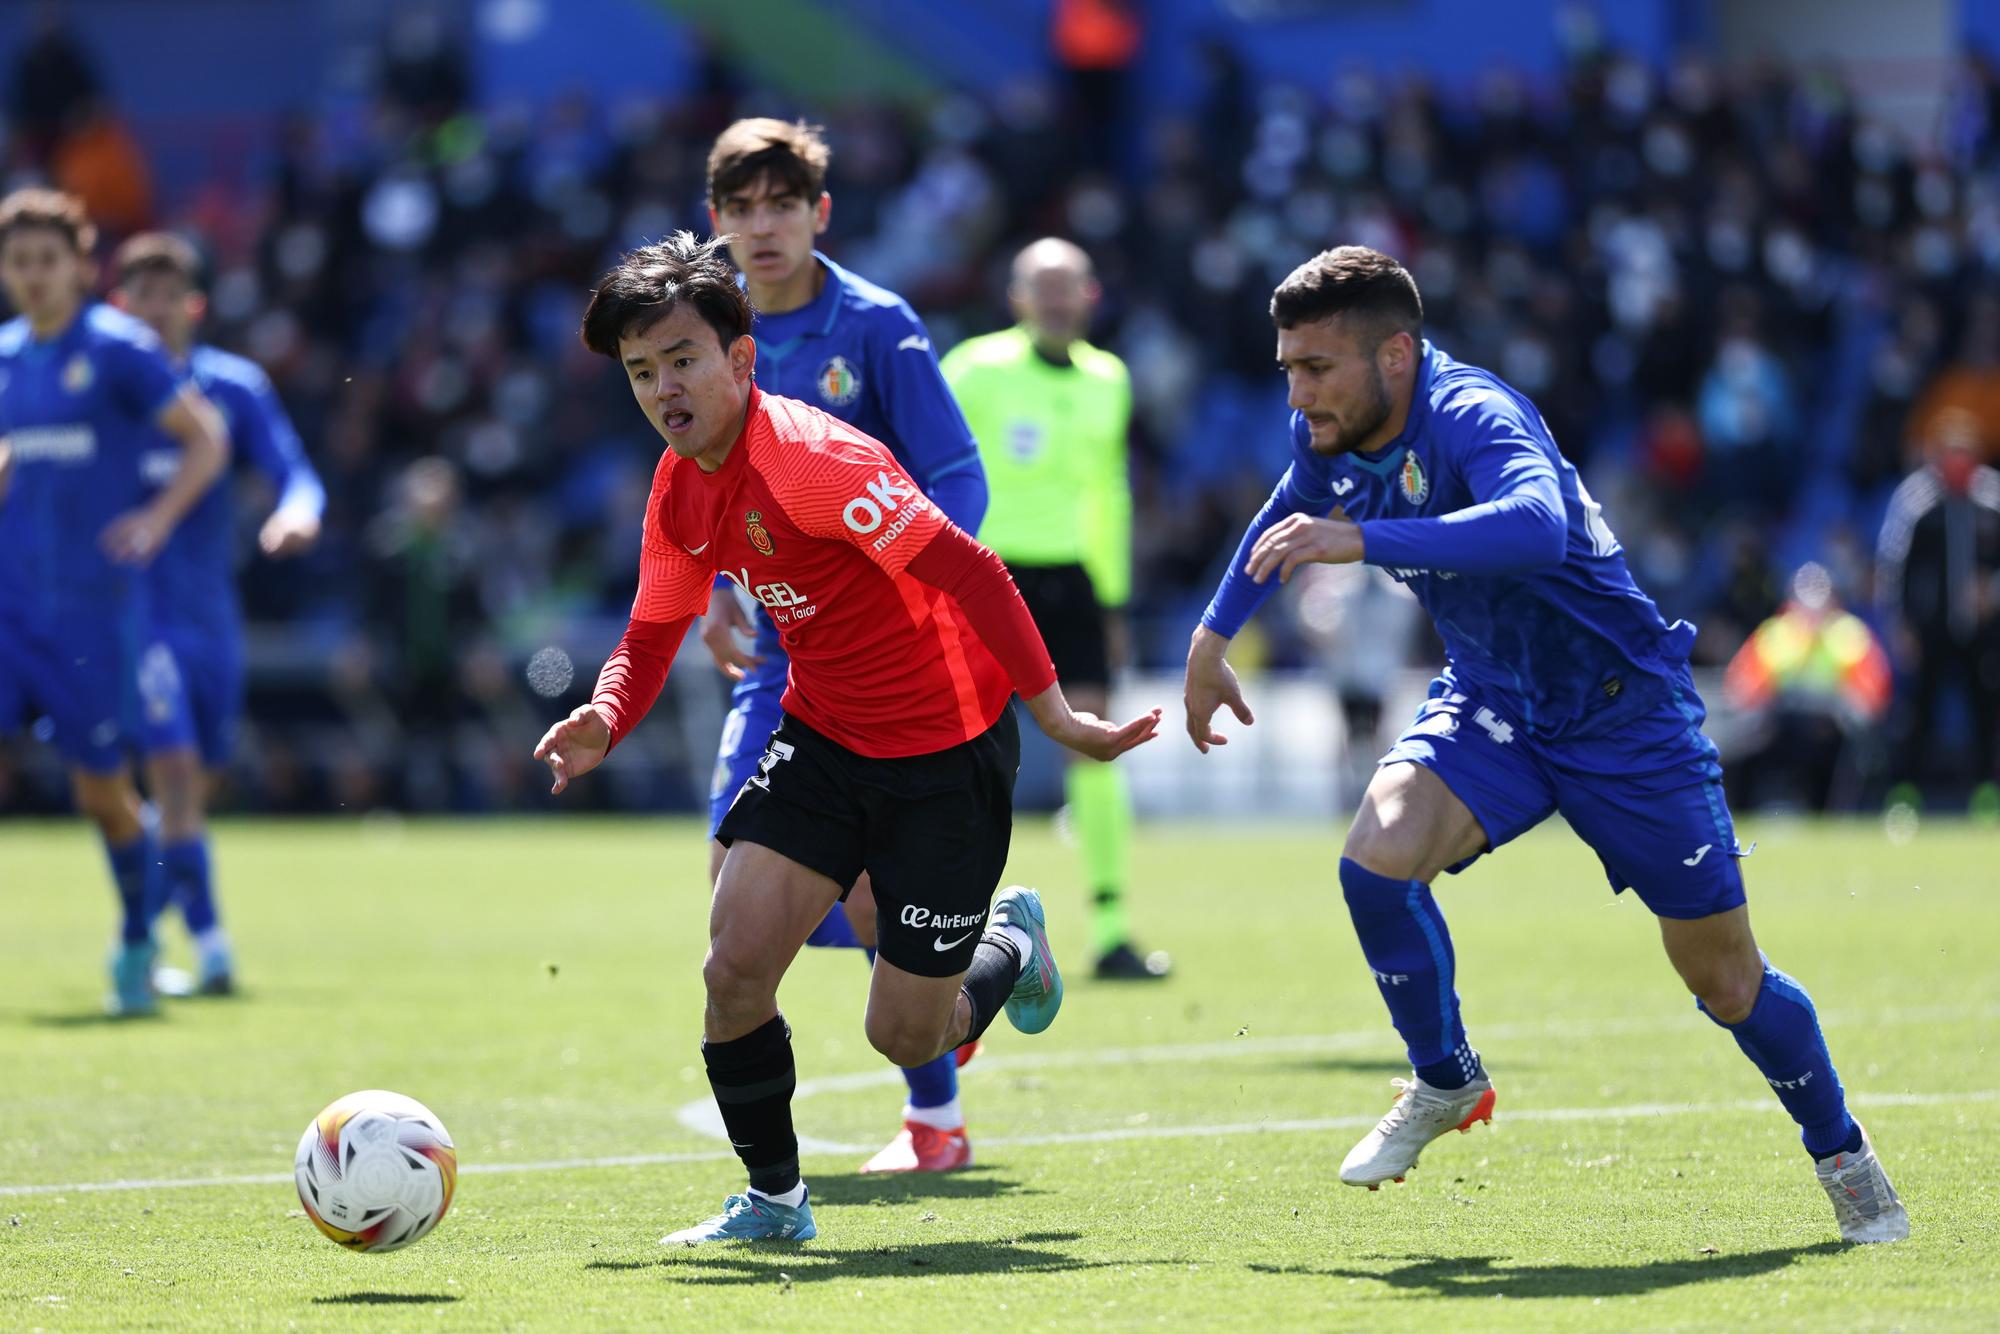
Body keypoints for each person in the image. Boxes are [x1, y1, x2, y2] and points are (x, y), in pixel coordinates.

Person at [1181, 246, 1908, 1244]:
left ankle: (1841, 1151)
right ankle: (1443, 1079)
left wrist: (1367, 540)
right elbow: (1286, 510)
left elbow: (1534, 527)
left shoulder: (1476, 413)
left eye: (1315, 367)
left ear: (1394, 353)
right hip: (1495, 699)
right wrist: (1211, 636)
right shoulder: (1330, 431)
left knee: (1723, 978)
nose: (1295, 391)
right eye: (1287, 367)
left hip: (1623, 716)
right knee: (1374, 857)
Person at [533, 231, 1160, 1244]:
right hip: (824, 737)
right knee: (731, 968)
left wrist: (1053, 715)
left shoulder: (816, 461)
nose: (661, 387)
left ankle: (1010, 942)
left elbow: (973, 572)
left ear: (741, 359)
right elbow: (652, 627)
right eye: (641, 371)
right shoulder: (679, 483)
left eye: (682, 358)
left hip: (943, 754)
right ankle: (775, 1203)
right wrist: (606, 710)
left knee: (904, 1028)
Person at [695, 118, 992, 1173]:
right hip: (779, 658)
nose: (762, 226)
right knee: (735, 872)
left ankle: (935, 1115)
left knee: (860, 893)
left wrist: (904, 567)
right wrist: (716, 586)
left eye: (782, 205)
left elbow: (959, 477)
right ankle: (967, 980)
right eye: (741, 208)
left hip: (877, 659)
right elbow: (718, 487)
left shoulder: (876, 326)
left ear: (820, 213)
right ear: (716, 221)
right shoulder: (714, 336)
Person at [0, 188, 229, 1015]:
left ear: (79, 267)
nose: (31, 277)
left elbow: (205, 438)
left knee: (101, 794)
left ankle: (138, 933)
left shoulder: (119, 350)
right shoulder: (4, 358)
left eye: (45, 261)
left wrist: (156, 519)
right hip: (9, 609)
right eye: (17, 262)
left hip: (94, 616)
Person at [940, 237, 1165, 980]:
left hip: (1071, 583)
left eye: (1070, 286)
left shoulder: (1111, 380)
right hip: (984, 576)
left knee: (1096, 746)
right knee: (960, 753)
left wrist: (1113, 599)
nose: (1059, 299)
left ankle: (1111, 929)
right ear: (1017, 298)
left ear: (1092, 297)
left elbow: (1111, 495)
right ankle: (945, 921)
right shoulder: (973, 370)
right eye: (1044, 285)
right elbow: (929, 472)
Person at [109, 231, 326, 993]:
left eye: (171, 293)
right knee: (171, 773)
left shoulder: (232, 387)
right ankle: (210, 945)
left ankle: (146, 902)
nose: (157, 308)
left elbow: (293, 471)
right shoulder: (105, 392)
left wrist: (296, 513)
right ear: (121, 306)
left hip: (211, 619)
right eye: (143, 294)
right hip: (133, 619)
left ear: (194, 306)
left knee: (195, 790)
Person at [1874, 410, 2000, 813]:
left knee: (1985, 710)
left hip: (1981, 630)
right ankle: (1905, 792)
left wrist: (1992, 592)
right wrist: (1899, 624)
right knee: (1919, 713)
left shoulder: (1991, 499)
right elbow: (1891, 564)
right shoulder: (1917, 500)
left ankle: (1987, 790)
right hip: (1928, 629)